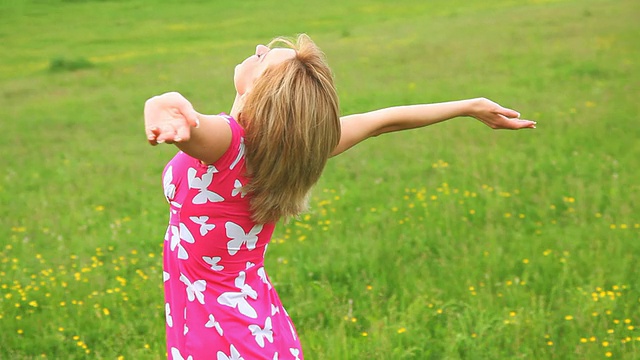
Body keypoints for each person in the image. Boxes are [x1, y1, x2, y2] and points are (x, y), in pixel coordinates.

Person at [143, 34, 535, 360]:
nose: (258, 49)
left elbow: (199, 130)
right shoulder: (295, 146)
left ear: (261, 88)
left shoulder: (227, 142)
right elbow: (383, 121)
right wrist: (468, 106)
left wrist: (174, 115)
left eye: (263, 59)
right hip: (252, 315)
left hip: (218, 328)